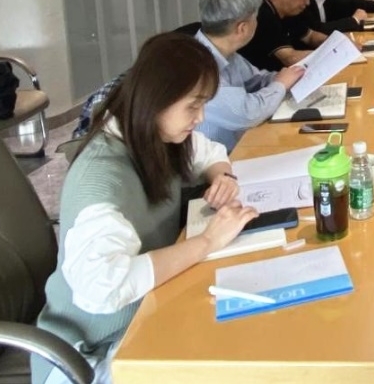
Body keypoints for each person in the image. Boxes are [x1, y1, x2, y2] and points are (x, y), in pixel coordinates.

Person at [33, 33, 260, 384]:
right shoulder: (101, 181)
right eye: (193, 106)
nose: (200, 117)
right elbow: (102, 290)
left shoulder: (152, 135)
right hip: (88, 356)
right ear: (158, 100)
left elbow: (208, 152)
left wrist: (222, 176)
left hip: (145, 316)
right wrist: (206, 243)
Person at [195, 0, 305, 151]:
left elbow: (256, 80)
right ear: (242, 28)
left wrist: (287, 77)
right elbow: (247, 113)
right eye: (255, 18)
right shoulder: (199, 65)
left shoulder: (227, 53)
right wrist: (281, 84)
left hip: (239, 145)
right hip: (217, 161)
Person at [238, 0, 329, 70]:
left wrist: (335, 43)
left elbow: (310, 36)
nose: (308, 2)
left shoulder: (288, 12)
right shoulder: (262, 15)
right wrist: (329, 54)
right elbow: (290, 58)